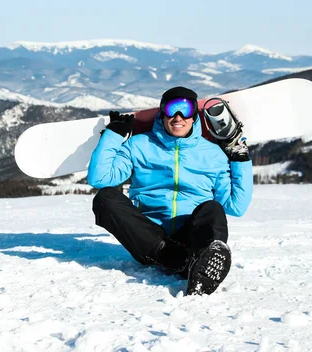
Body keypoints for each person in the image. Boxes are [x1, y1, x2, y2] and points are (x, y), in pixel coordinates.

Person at [87, 86, 253, 295]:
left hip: (191, 236)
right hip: (148, 238)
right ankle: (179, 259)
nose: (178, 117)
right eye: (171, 109)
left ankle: (204, 264)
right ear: (162, 113)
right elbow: (99, 178)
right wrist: (113, 135)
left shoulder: (212, 154)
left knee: (212, 208)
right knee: (105, 198)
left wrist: (240, 159)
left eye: (185, 110)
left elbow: (236, 206)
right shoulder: (139, 145)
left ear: (194, 116)